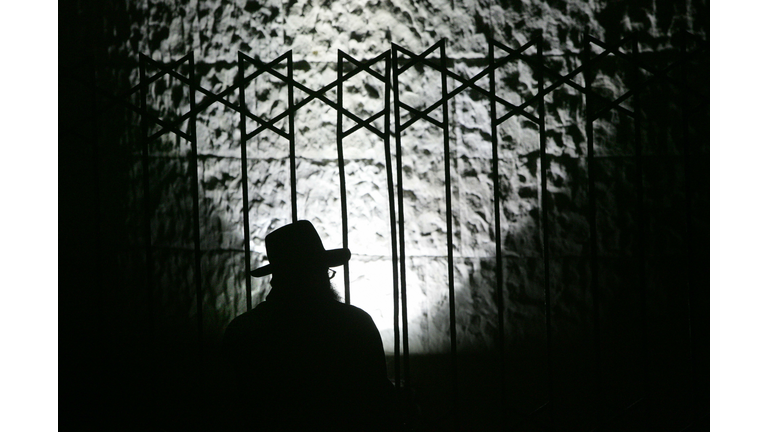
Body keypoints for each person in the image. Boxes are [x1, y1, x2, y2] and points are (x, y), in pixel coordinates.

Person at [222, 220, 395, 431]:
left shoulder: (244, 330)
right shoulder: (354, 324)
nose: (326, 278)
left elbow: (232, 407)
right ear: (317, 274)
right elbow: (376, 402)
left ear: (277, 278)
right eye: (324, 272)